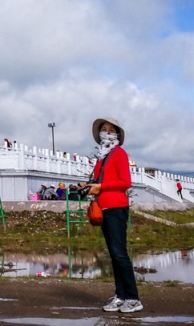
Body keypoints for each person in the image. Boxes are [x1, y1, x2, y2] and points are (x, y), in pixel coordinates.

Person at [85, 118, 143, 314]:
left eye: (111, 129)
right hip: (104, 208)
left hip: (116, 207)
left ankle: (133, 298)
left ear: (117, 134)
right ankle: (120, 296)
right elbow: (101, 180)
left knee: (120, 253)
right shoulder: (102, 157)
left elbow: (125, 182)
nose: (106, 132)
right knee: (114, 254)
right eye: (103, 129)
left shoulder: (119, 153)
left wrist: (101, 187)